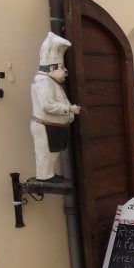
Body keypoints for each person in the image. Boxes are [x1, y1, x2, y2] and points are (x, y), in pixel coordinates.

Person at [30, 32, 81, 182]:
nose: (65, 71)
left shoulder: (50, 82)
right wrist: (69, 109)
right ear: (52, 68)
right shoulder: (42, 81)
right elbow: (48, 105)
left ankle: (48, 174)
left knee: (51, 154)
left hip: (53, 127)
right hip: (44, 126)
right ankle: (44, 176)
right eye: (61, 67)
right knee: (45, 153)